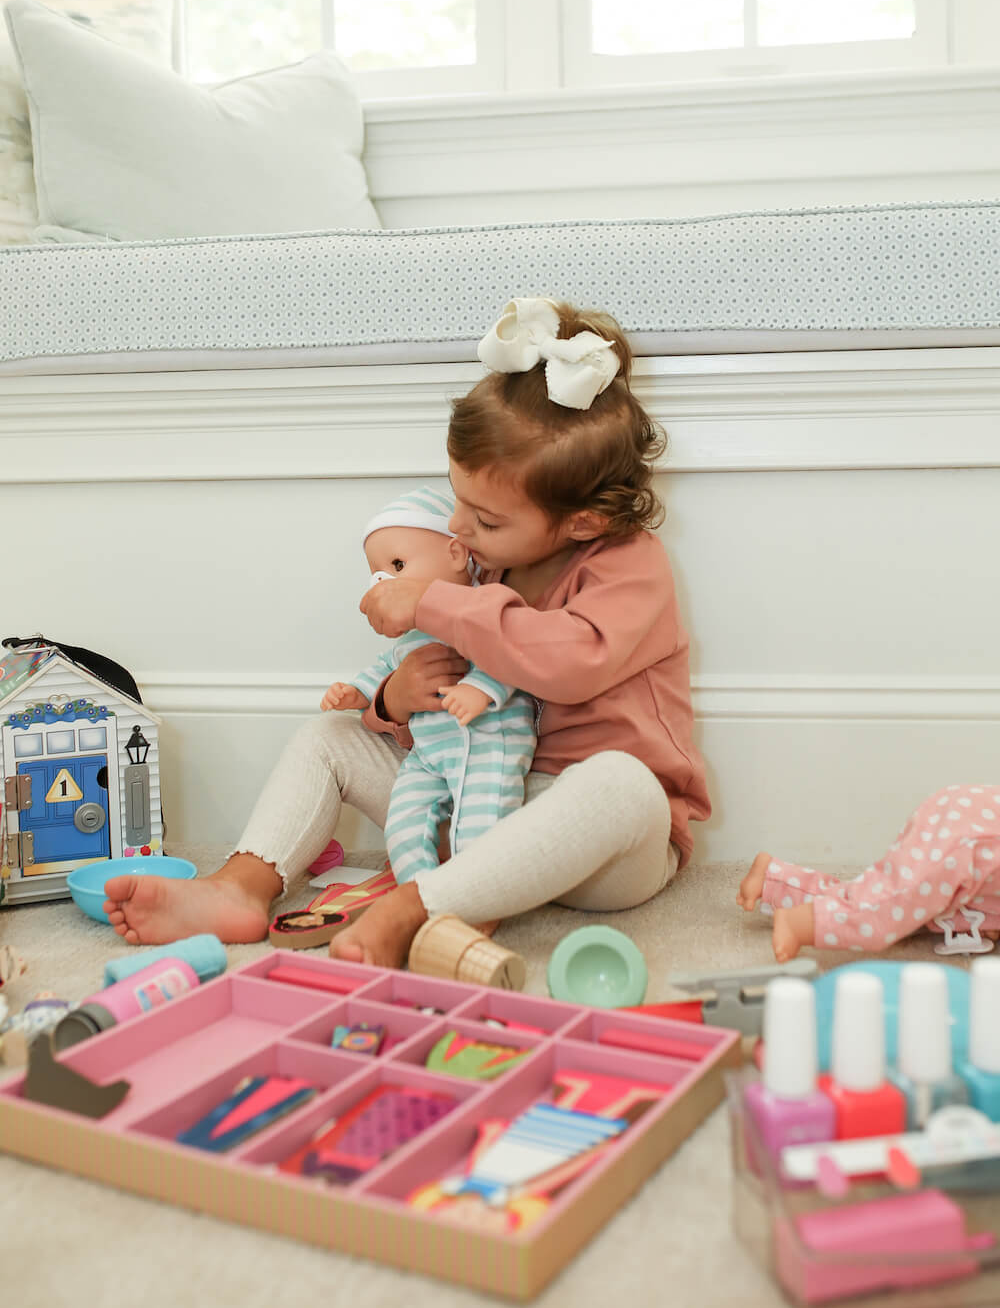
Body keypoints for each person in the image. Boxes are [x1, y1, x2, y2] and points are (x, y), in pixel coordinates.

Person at [102, 296, 711, 966]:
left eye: (485, 519)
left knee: (621, 784)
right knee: (329, 737)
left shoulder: (630, 566)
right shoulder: (486, 562)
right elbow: (435, 683)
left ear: (583, 522)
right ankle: (240, 888)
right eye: (457, 501)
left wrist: (432, 604)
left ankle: (420, 906)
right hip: (478, 799)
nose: (458, 528)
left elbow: (569, 661)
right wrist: (395, 697)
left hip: (602, 851)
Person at [325, 484, 536, 883]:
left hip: (488, 742)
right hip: (428, 754)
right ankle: (420, 891)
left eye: (398, 566)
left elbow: (511, 650)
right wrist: (356, 692)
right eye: (376, 573)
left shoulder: (486, 604)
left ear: (456, 554)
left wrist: (481, 688)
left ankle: (473, 894)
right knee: (404, 825)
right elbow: (382, 670)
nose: (382, 582)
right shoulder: (409, 639)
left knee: (480, 828)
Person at [738, 782, 1000, 961]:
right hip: (967, 838)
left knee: (872, 896)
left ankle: (776, 880)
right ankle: (803, 923)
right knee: (887, 910)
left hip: (970, 819)